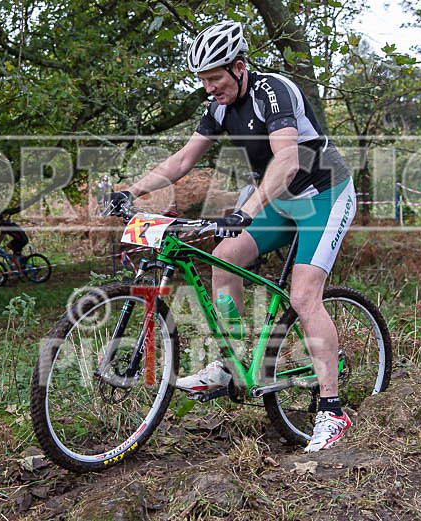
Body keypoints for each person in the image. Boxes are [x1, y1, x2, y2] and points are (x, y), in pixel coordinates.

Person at [102, 21, 357, 452]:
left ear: (240, 67)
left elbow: (288, 163)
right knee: (225, 260)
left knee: (304, 297)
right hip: (279, 201)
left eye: (215, 78)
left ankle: (332, 410)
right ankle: (231, 362)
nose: (208, 88)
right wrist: (131, 190)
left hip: (323, 195)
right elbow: (183, 158)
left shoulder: (272, 91)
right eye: (202, 80)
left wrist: (245, 210)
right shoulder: (218, 107)